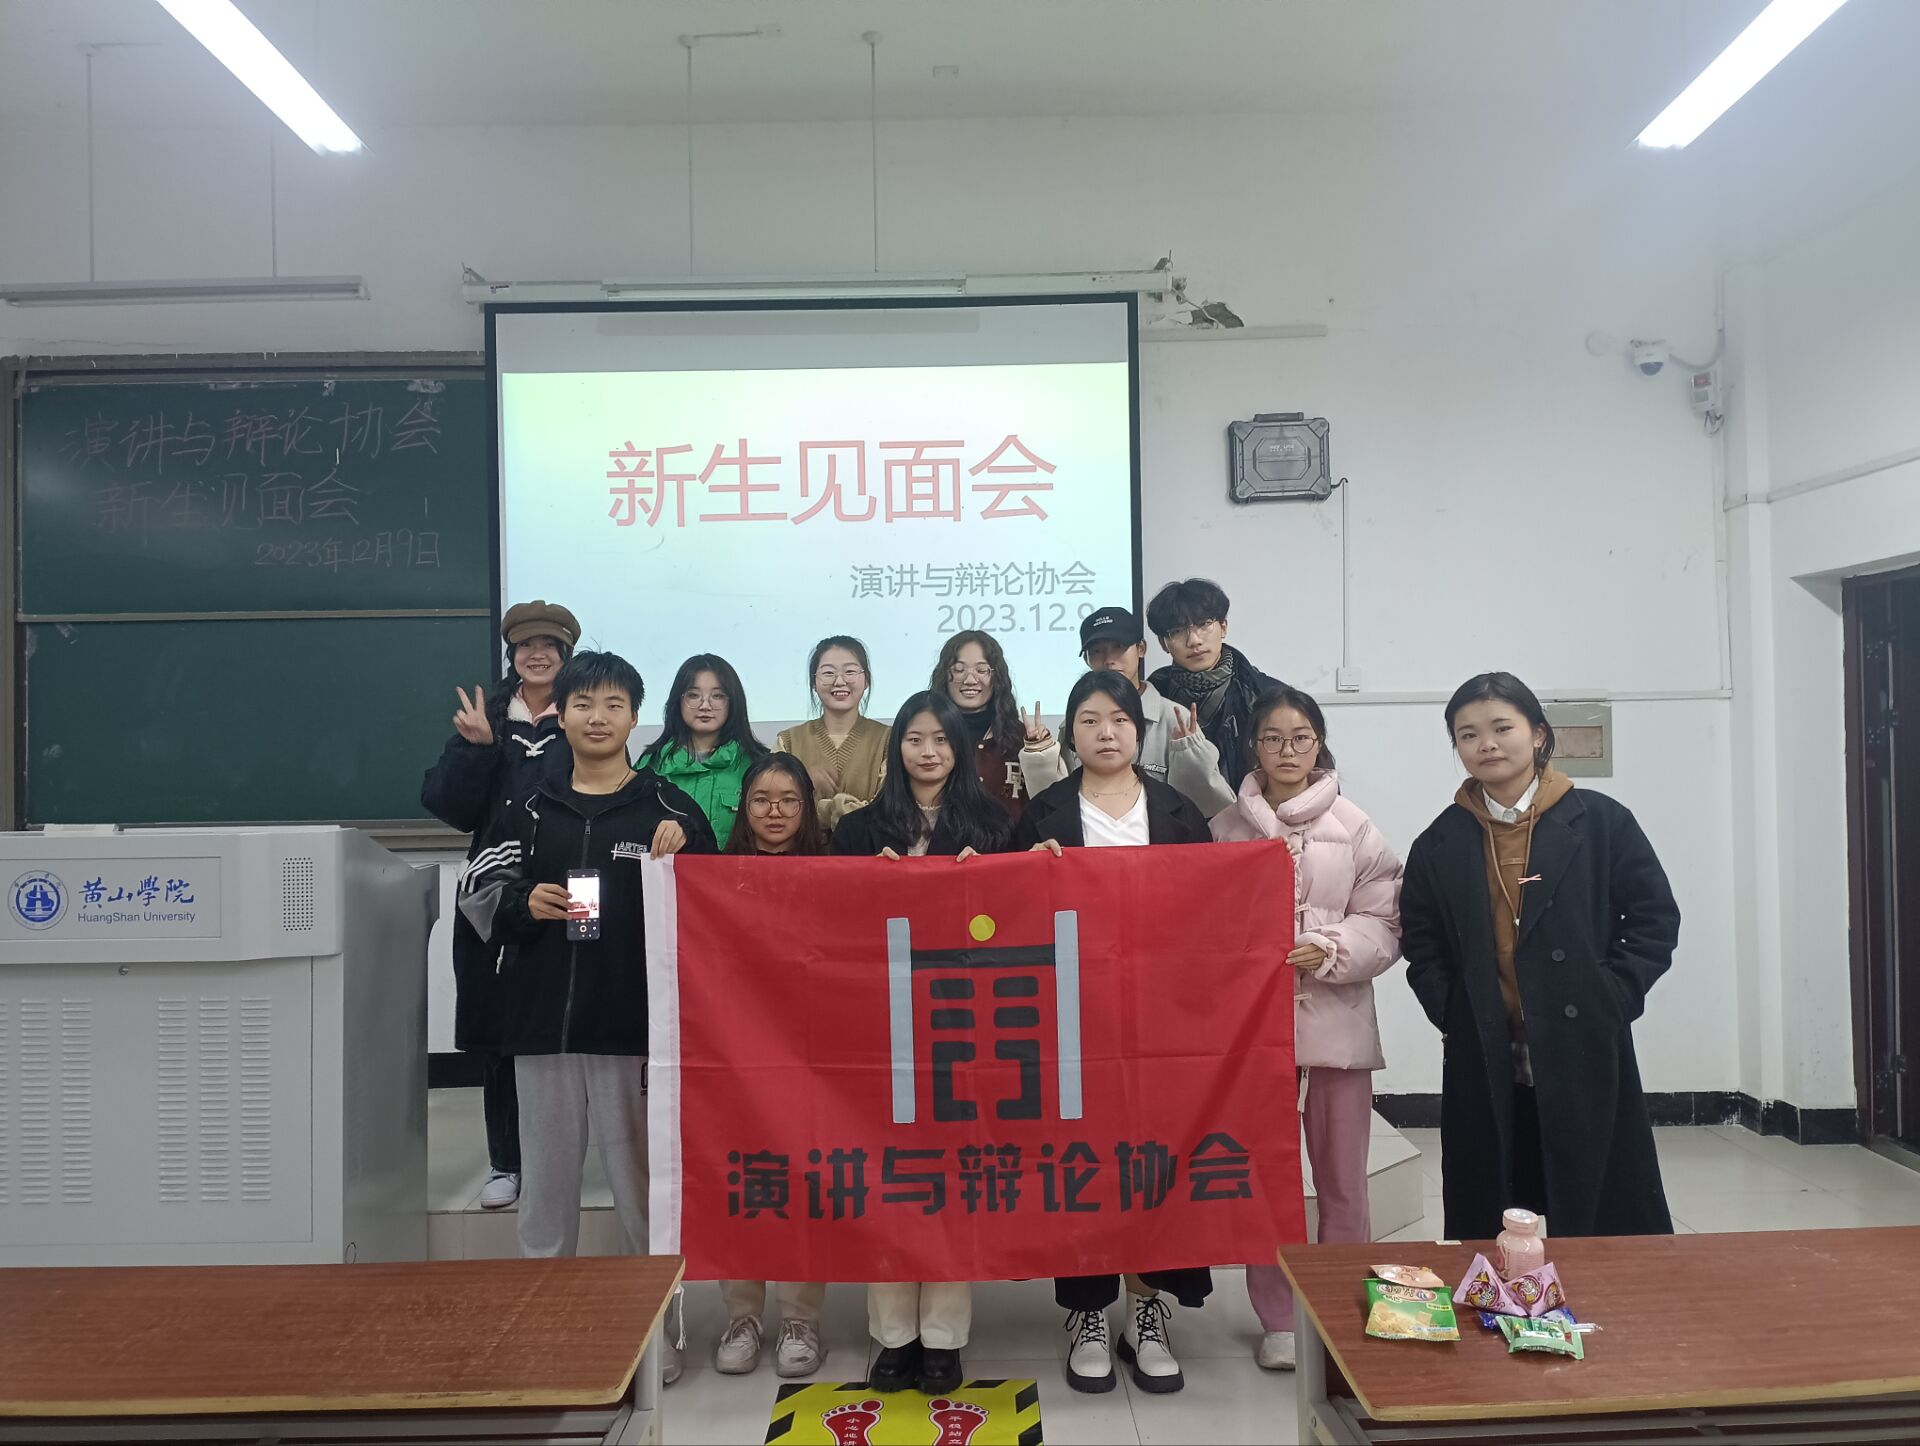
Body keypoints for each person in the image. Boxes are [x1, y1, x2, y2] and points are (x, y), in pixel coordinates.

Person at [458, 650, 717, 1384]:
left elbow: (718, 905)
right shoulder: (527, 805)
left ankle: (657, 1334)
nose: (597, 718)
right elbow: (478, 887)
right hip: (540, 1027)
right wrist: (523, 902)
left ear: (635, 718)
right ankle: (544, 1328)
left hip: (635, 1031)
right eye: (583, 704)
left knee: (642, 1193)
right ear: (561, 716)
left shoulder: (669, 808)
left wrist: (690, 854)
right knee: (545, 1195)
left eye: (613, 705)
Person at [1402, 672, 1680, 1243]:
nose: (1487, 744)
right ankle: (1504, 1294)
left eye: (1502, 728)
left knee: (1598, 1204)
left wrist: (1612, 996)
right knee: (1491, 1204)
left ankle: (1606, 1293)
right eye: (1468, 734)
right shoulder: (1441, 840)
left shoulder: (1600, 821)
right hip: (1486, 1045)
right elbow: (1421, 939)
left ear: (1538, 734)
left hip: (1582, 1037)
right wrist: (1453, 1009)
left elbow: (1653, 919)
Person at [1012, 670, 1215, 1396]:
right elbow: (1011, 916)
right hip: (1073, 1017)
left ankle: (1148, 1310)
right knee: (1085, 1163)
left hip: (1163, 1017)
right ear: (1070, 734)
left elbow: (1212, 908)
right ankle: (1089, 1311)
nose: (1106, 732)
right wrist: (1025, 876)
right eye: (1090, 720)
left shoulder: (1178, 810)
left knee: (1154, 1160)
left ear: (1140, 729)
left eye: (1120, 719)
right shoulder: (1042, 814)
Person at [1210, 687, 1404, 1371]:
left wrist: (1330, 948)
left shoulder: (1354, 825)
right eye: (1273, 738)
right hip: (1253, 1036)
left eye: (1301, 738)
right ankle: (1279, 1319)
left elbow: (1385, 920)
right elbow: (1201, 929)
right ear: (1252, 746)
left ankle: (1342, 1309)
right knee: (1269, 1181)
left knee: (1343, 1179)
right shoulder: (1225, 828)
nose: (1287, 751)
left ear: (1319, 744)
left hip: (1336, 1029)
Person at [832, 691, 1011, 1396]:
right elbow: (828, 930)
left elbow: (1017, 924)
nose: (928, 751)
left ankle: (942, 1338)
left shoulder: (993, 826)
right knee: (888, 1181)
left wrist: (988, 885)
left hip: (959, 1030)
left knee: (949, 1183)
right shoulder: (858, 829)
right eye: (915, 738)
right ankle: (892, 1336)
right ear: (896, 747)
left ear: (959, 749)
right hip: (877, 1029)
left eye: (940, 739)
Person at [420, 599, 579, 1213]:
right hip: (493, 896)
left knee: (573, 1020)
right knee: (501, 1031)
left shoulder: (584, 712)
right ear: (512, 654)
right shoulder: (485, 719)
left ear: (566, 654)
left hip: (571, 890)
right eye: (526, 646)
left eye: (550, 646)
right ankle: (506, 1163)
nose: (538, 655)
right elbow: (451, 809)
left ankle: (564, 1161)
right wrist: (477, 750)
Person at [714, 752, 830, 1378]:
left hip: (810, 1056)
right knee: (742, 1182)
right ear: (743, 807)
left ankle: (800, 1320)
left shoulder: (833, 871)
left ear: (807, 808)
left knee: (802, 1185)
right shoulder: (715, 876)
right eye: (761, 799)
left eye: (789, 800)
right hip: (736, 1056)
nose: (775, 812)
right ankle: (742, 1316)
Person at [1019, 605, 1236, 818]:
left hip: (1158, 837)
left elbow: (1207, 808)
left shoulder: (1175, 719)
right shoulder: (1074, 723)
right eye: (1096, 651)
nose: (1108, 660)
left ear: (1141, 648)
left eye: (1119, 647)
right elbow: (1056, 803)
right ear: (1086, 659)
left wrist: (1193, 757)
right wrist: (1040, 755)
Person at [1144, 578, 1285, 789]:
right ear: (1163, 643)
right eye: (1177, 631)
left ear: (1223, 627)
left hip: (1253, 806)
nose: (1194, 640)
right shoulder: (1152, 698)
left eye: (1204, 624)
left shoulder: (1266, 694)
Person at [635, 654, 769, 849]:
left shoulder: (757, 765)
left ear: (733, 702)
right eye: (693, 695)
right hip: (667, 869)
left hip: (740, 869)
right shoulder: (652, 764)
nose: (705, 706)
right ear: (677, 701)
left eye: (717, 696)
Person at [774, 636, 889, 835]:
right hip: (803, 853)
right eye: (828, 673)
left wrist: (821, 807)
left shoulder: (888, 739)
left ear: (867, 680)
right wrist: (801, 778)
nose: (839, 681)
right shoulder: (788, 742)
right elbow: (774, 808)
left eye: (850, 672)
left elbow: (888, 810)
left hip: (869, 852)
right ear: (813, 682)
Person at [929, 630, 1032, 821]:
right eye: (958, 669)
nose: (970, 680)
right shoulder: (927, 734)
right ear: (944, 675)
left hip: (1011, 840)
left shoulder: (1021, 736)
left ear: (997, 677)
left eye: (981, 670)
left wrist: (1042, 755)